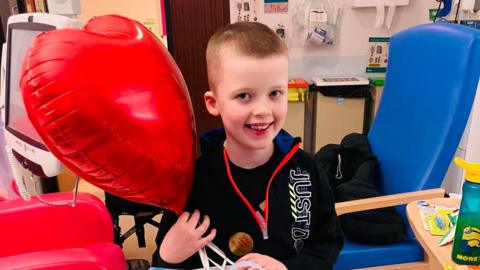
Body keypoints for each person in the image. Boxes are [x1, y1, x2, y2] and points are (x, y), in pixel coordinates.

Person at [152, 21, 343, 270]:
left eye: (275, 93)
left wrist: (287, 268)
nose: (263, 111)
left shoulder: (307, 170)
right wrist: (167, 256)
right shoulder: (195, 182)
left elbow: (328, 244)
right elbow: (165, 261)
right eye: (244, 96)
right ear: (213, 103)